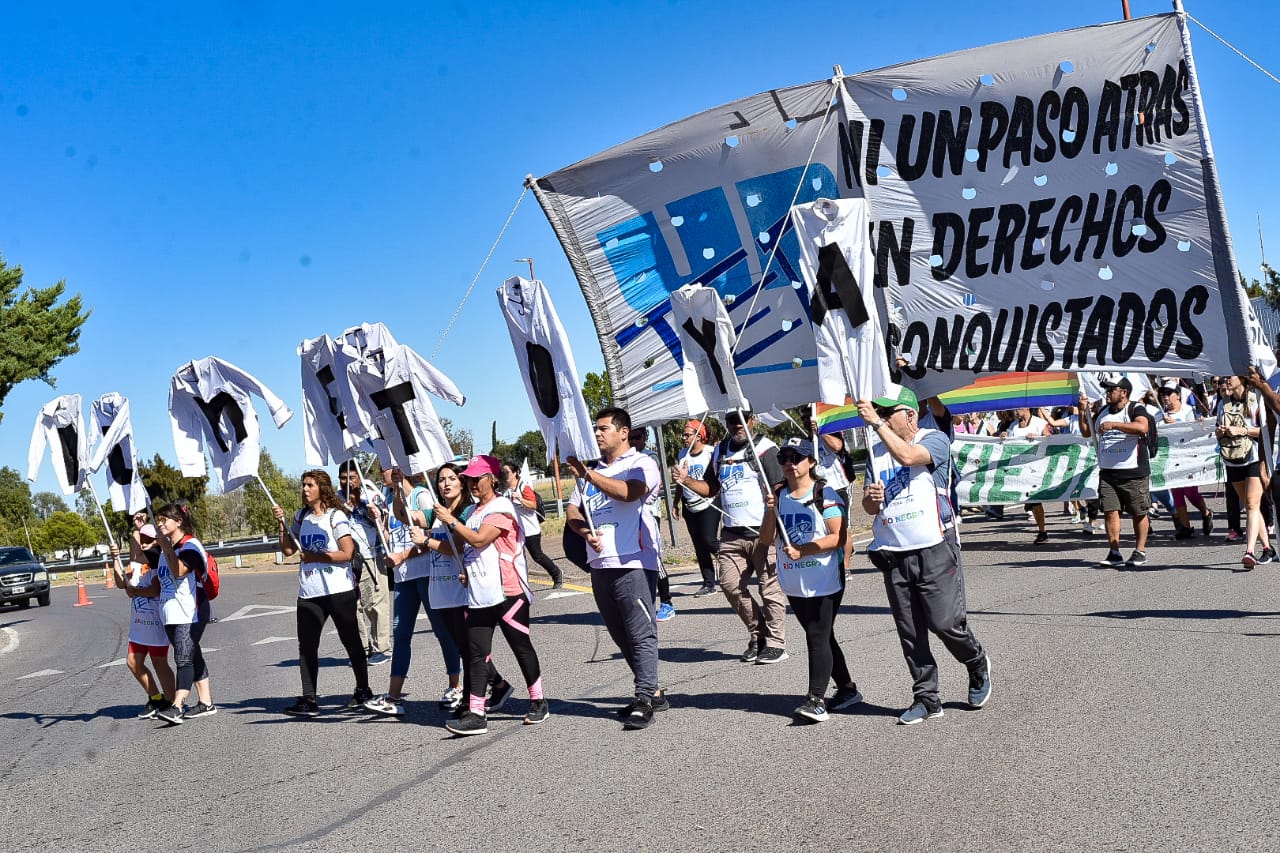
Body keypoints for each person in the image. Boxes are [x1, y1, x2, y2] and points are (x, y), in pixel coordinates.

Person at [857, 385, 991, 726]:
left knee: (944, 622)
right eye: (881, 414)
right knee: (910, 629)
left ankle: (975, 660)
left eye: (889, 414)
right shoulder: (876, 452)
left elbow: (909, 457)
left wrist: (875, 423)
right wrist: (872, 498)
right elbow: (870, 506)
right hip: (894, 550)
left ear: (910, 415)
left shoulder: (934, 439)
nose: (883, 419)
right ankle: (927, 697)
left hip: (934, 544)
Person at [425, 455, 546, 736]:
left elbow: (480, 539)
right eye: (468, 478)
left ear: (492, 478)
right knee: (478, 655)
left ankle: (538, 700)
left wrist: (451, 521)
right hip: (478, 594)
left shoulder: (501, 507)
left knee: (520, 646)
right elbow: (467, 548)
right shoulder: (474, 512)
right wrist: (465, 567)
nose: (471, 483)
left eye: (476, 478)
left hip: (508, 592)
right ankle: (477, 714)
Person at [566, 407, 668, 730]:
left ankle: (643, 699)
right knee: (621, 635)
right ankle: (653, 690)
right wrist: (584, 531)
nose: (597, 434)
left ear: (623, 432)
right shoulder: (593, 470)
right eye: (595, 429)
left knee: (641, 632)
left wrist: (588, 475)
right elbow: (572, 510)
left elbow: (629, 492)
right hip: (600, 564)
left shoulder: (641, 463)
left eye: (604, 428)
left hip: (634, 561)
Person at [759, 437, 862, 724]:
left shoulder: (825, 494)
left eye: (797, 457)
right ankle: (847, 689)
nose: (790, 463)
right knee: (823, 635)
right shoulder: (778, 496)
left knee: (816, 634)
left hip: (824, 576)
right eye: (784, 458)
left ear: (811, 462)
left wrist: (803, 550)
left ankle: (816, 699)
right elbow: (767, 538)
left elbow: (838, 538)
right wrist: (770, 511)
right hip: (794, 579)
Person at [684, 409, 788, 664]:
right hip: (731, 533)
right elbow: (711, 488)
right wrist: (686, 480)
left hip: (762, 531)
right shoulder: (720, 451)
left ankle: (776, 643)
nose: (738, 424)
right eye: (732, 420)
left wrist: (776, 523)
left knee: (769, 589)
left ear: (753, 419)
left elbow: (779, 488)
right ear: (726, 423)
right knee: (730, 586)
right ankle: (758, 633)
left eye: (744, 418)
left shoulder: (766, 448)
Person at [363, 466, 464, 716]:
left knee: (443, 632)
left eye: (384, 470)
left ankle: (456, 686)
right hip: (403, 578)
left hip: (425, 574)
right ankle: (394, 696)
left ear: (398, 471)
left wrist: (403, 555)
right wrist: (379, 523)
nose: (381, 475)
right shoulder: (389, 499)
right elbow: (392, 536)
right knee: (401, 634)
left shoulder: (421, 495)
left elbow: (430, 538)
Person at [273, 470, 373, 716]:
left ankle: (363, 689)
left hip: (339, 590)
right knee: (307, 646)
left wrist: (315, 556)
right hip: (309, 592)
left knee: (351, 641)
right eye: (303, 485)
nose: (304, 489)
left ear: (322, 488)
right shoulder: (301, 516)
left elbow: (347, 553)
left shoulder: (335, 516)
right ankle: (309, 699)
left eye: (309, 485)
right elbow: (287, 550)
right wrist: (282, 525)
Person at [147, 503, 215, 724]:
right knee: (192, 654)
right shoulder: (165, 548)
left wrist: (165, 545)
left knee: (183, 657)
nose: (160, 523)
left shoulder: (191, 546)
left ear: (179, 522)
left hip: (191, 611)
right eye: (158, 519)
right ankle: (206, 703)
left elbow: (178, 571)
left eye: (165, 519)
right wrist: (139, 530)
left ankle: (177, 705)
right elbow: (142, 553)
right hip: (170, 613)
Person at [1079, 377, 1154, 568]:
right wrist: (1082, 412)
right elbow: (1087, 432)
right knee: (1110, 512)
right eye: (1107, 389)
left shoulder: (1134, 408)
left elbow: (1142, 426)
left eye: (1112, 389)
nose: (1108, 392)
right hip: (1108, 472)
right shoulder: (1103, 411)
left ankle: (1140, 551)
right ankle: (1114, 552)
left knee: (1138, 512)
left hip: (1133, 471)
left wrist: (1114, 425)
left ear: (1124, 392)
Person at [108, 522, 175, 719]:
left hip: (155, 623)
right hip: (138, 625)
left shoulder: (159, 560)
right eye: (141, 540)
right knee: (133, 662)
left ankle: (172, 703)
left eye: (147, 540)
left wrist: (135, 591)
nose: (142, 543)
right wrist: (115, 559)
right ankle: (156, 698)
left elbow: (155, 589)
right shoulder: (136, 565)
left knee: (159, 662)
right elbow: (122, 582)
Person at [1213, 375, 1274, 570]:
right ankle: (1267, 548)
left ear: (1243, 379)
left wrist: (1242, 430)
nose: (1226, 381)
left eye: (1230, 377)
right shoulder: (1223, 403)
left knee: (1251, 503)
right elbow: (1217, 429)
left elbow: (1265, 430)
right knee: (1251, 508)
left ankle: (1249, 551)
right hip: (1232, 458)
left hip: (1254, 456)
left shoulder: (1256, 400)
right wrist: (1221, 432)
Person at [337, 460, 392, 666]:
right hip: (349, 560)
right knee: (353, 607)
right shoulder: (336, 498)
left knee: (374, 604)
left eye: (351, 477)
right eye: (343, 478)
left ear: (358, 477)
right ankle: (362, 649)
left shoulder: (371, 495)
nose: (347, 482)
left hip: (371, 555)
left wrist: (369, 512)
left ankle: (382, 648)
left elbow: (382, 524)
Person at [1156, 384, 1214, 540]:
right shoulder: (1159, 415)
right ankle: (1186, 527)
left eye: (1169, 393)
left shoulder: (1188, 411)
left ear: (1178, 395)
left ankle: (1206, 512)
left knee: (1190, 492)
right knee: (1177, 493)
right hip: (1171, 459)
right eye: (1163, 394)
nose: (1165, 397)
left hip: (1188, 458)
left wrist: (1174, 424)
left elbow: (1194, 432)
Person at [671, 419, 720, 597]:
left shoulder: (710, 453)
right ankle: (709, 583)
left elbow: (716, 480)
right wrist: (676, 502)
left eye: (687, 434)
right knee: (699, 546)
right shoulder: (683, 454)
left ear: (699, 436)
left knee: (709, 540)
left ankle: (729, 556)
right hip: (689, 504)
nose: (683, 437)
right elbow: (679, 480)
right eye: (683, 434)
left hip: (709, 502)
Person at [629, 426, 673, 621]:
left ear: (644, 438)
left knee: (653, 558)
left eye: (637, 437)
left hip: (649, 513)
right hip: (630, 516)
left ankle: (667, 603)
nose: (634, 441)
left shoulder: (649, 457)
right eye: (630, 438)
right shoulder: (626, 458)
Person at [500, 459, 564, 589]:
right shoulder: (506, 491)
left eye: (507, 472)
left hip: (530, 530)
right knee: (515, 557)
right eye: (503, 472)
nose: (504, 475)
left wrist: (520, 499)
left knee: (537, 556)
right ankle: (519, 583)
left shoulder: (524, 487)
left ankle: (556, 573)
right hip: (516, 531)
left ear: (515, 473)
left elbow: (533, 505)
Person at [999, 407, 1052, 544]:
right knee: (1029, 499)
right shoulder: (1014, 426)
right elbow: (1009, 442)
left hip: (1036, 467)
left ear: (1027, 409)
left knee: (1035, 499)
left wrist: (1037, 438)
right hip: (1020, 468)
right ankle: (1037, 523)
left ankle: (1042, 531)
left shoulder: (1039, 423)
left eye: (1019, 409)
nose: (1016, 411)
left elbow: (1050, 439)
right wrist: (1004, 437)